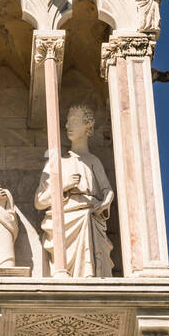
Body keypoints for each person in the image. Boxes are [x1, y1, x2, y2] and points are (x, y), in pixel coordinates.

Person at [35, 105, 113, 277]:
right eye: (67, 122)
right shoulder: (57, 163)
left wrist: (104, 202)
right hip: (67, 218)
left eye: (74, 122)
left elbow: (107, 190)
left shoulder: (94, 161)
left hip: (91, 216)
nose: (68, 126)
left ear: (87, 126)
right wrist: (64, 186)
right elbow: (40, 201)